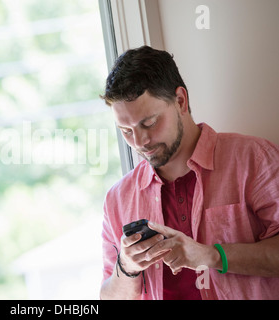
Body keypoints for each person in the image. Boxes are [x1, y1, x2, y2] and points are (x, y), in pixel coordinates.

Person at [99, 45, 279, 300]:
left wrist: (212, 256)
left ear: (181, 101)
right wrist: (126, 268)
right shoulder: (118, 199)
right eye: (125, 131)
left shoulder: (253, 160)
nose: (139, 142)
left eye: (148, 123)